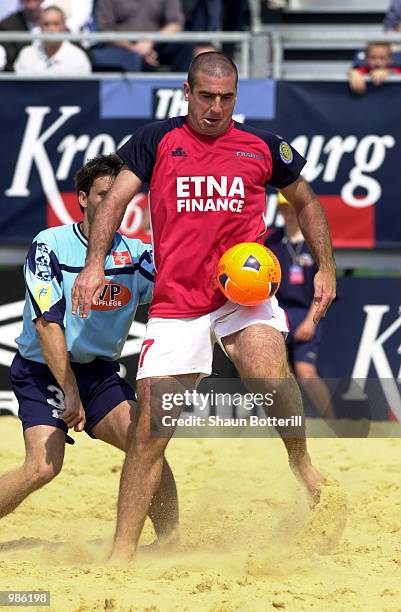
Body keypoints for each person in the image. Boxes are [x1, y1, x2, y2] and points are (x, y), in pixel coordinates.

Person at [72, 52, 336, 562]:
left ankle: (300, 461)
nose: (216, 108)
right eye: (207, 96)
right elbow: (114, 201)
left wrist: (325, 265)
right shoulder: (157, 140)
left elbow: (306, 201)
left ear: (236, 97)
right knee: (150, 427)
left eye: (226, 98)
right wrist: (94, 264)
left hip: (244, 291)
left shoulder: (262, 145)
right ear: (187, 92)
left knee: (265, 370)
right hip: (178, 300)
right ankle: (121, 554)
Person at [1, 154, 178, 549]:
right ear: (82, 198)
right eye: (102, 195)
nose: (111, 203)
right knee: (42, 468)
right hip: (44, 370)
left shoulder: (136, 255)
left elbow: (178, 291)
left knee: (146, 443)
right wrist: (68, 389)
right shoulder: (50, 244)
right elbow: (47, 324)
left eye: (118, 195)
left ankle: (170, 543)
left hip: (99, 375)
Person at [265, 193, 335, 420]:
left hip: (306, 312)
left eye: (292, 209)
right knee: (277, 374)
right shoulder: (273, 241)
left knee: (306, 372)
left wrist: (311, 321)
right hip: (278, 312)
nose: (289, 214)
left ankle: (333, 422)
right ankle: (286, 422)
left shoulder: (314, 242)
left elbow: (326, 287)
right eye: (285, 209)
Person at [92, 0, 191, 73]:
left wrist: (150, 42)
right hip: (121, 46)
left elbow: (175, 23)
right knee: (129, 58)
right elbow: (104, 29)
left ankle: (179, 91)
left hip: (155, 43)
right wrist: (134, 48)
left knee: (185, 45)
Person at [14, 6, 91, 76]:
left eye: (56, 24)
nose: (51, 29)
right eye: (46, 24)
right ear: (40, 28)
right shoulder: (26, 55)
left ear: (64, 27)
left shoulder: (78, 58)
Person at [0, 0, 43, 71]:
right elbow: (9, 59)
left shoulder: (53, 20)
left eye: (35, 0)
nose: (31, 5)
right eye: (27, 0)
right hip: (19, 75)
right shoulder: (7, 25)